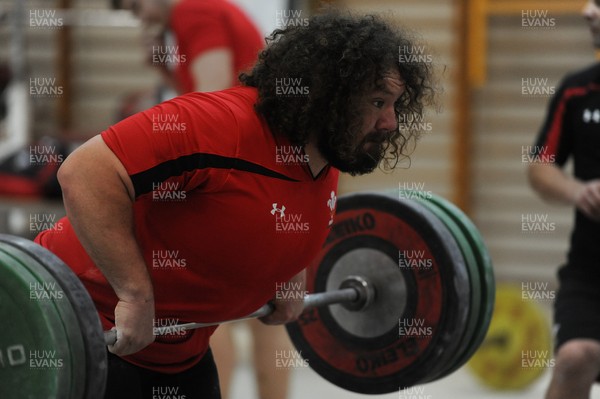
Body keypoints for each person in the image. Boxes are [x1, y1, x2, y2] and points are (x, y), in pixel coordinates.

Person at [35, 11, 434, 399]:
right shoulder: (219, 124)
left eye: (395, 104)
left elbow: (278, 216)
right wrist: (134, 295)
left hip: (177, 356)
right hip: (75, 332)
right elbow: (84, 172)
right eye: (379, 102)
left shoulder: (326, 155)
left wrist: (287, 274)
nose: (391, 123)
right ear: (328, 95)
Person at [527, 2, 600, 399]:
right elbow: (540, 168)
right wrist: (579, 190)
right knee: (574, 358)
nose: (588, 12)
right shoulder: (576, 89)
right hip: (589, 274)